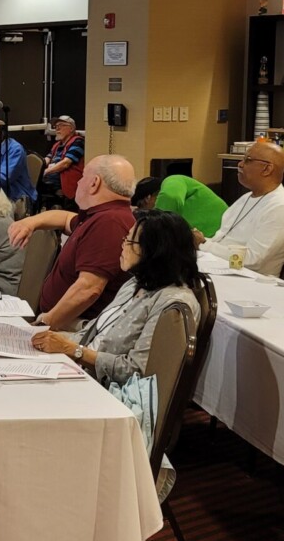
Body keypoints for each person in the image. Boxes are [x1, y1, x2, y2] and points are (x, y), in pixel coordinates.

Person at [32, 210, 200, 388]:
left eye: (129, 241)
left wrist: (72, 350)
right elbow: (95, 332)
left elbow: (137, 371)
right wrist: (49, 339)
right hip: (80, 368)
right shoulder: (137, 282)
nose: (123, 246)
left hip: (105, 389)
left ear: (155, 250)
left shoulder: (172, 304)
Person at [8, 155, 137, 330]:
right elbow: (65, 218)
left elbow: (89, 289)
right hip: (62, 321)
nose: (78, 182)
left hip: (72, 327)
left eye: (83, 176)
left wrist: (45, 324)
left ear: (94, 183)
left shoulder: (109, 223)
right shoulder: (103, 215)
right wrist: (31, 222)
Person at [197, 142, 284, 276]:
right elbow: (221, 239)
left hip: (251, 280)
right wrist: (196, 241)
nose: (240, 164)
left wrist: (203, 244)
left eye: (247, 160)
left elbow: (253, 260)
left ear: (267, 169)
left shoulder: (279, 207)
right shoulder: (246, 197)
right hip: (218, 267)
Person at [41, 115, 84, 209]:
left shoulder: (78, 142)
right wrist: (37, 167)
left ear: (71, 128)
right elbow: (46, 159)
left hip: (67, 187)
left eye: (61, 125)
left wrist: (45, 172)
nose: (57, 128)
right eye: (56, 126)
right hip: (50, 184)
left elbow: (66, 163)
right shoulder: (57, 145)